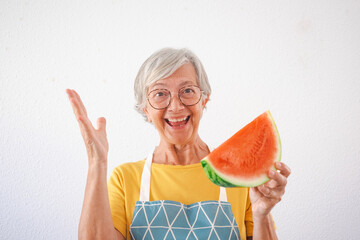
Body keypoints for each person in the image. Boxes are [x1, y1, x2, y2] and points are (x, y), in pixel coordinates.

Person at [66, 48, 291, 240]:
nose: (175, 106)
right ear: (145, 108)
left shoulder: (239, 176)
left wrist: (262, 213)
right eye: (160, 94)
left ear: (204, 99)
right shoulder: (125, 179)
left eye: (187, 91)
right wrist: (97, 162)